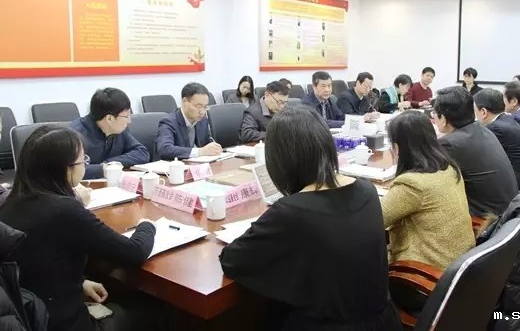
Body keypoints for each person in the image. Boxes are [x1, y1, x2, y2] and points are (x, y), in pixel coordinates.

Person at [219, 106, 401, 331]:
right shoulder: (367, 190)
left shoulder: (292, 211)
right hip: (383, 322)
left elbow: (233, 260)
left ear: (280, 160)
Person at [0, 126, 158, 331]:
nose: (85, 164)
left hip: (30, 313)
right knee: (157, 309)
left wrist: (79, 283)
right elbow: (135, 252)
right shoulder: (64, 211)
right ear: (66, 169)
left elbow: (35, 263)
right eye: (83, 161)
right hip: (61, 323)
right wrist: (147, 226)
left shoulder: (9, 202)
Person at [381, 110, 474, 268]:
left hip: (425, 271)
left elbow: (374, 220)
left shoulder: (412, 184)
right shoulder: (450, 168)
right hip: (459, 263)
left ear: (397, 148)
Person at [435, 86, 517, 216]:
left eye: (434, 114)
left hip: (485, 219)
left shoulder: (449, 144)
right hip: (508, 211)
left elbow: (434, 185)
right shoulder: (482, 129)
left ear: (443, 119)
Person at [70, 88, 149, 179]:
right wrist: (101, 169)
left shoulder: (118, 130)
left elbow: (142, 153)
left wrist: (110, 164)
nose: (129, 121)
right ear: (109, 119)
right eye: (126, 116)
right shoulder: (75, 134)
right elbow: (70, 169)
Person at [474, 89, 520, 188]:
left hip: (516, 183)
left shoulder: (495, 129)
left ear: (483, 112)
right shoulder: (506, 119)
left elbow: (479, 157)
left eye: (474, 111)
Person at [156, 83, 223, 160]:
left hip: (196, 164)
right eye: (198, 106)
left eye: (205, 107)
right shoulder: (168, 122)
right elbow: (165, 149)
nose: (202, 112)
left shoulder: (202, 120)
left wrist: (214, 148)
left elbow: (207, 142)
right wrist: (200, 152)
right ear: (185, 101)